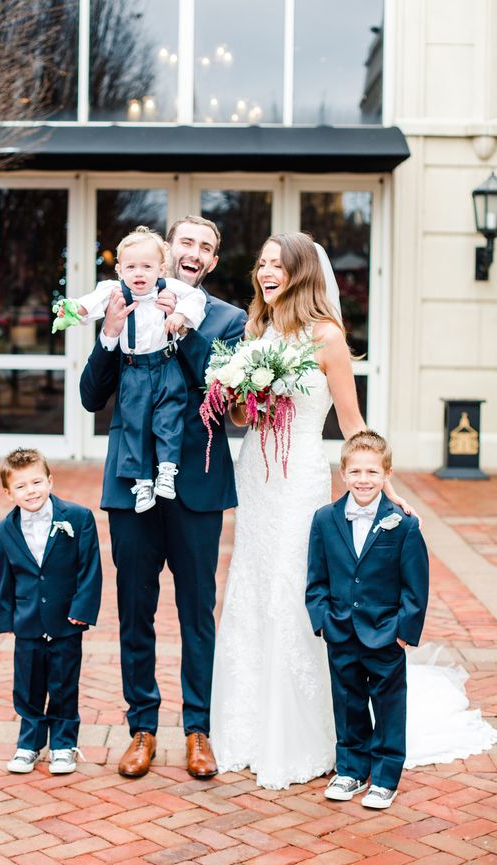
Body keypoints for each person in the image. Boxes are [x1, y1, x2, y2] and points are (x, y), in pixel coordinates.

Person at [210, 232, 497, 791]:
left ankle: (311, 734)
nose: (266, 272)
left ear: (300, 274)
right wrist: (239, 392)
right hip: (257, 477)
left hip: (298, 481)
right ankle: (247, 727)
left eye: (278, 265)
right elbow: (244, 420)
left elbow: (349, 418)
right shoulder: (256, 332)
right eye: (261, 264)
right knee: (252, 586)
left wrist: (382, 482)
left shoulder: (326, 337)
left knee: (298, 589)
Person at [79, 215, 246, 778]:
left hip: (196, 488)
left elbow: (223, 399)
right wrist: (109, 332)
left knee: (197, 614)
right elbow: (89, 397)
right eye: (186, 243)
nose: (194, 252)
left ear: (213, 261)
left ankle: (198, 730)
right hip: (131, 487)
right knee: (135, 612)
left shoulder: (228, 319)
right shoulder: (122, 299)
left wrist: (182, 331)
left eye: (206, 246)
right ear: (168, 251)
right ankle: (142, 729)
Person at [306, 431, 429, 809]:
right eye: (356, 471)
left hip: (386, 634)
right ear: (342, 472)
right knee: (347, 702)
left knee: (389, 705)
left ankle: (386, 776)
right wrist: (322, 620)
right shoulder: (325, 519)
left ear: (386, 474)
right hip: (340, 630)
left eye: (372, 472)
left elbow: (416, 585)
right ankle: (351, 770)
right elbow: (316, 578)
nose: (363, 479)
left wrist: (403, 634)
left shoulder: (403, 524)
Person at [55, 226, 206, 513]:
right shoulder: (113, 291)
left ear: (161, 269)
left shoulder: (170, 289)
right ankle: (142, 483)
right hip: (134, 369)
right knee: (134, 424)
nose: (139, 273)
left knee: (169, 417)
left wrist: (179, 315)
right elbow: (88, 304)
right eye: (131, 266)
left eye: (147, 267)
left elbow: (196, 299)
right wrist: (72, 310)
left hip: (165, 365)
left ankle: (167, 471)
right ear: (120, 270)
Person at [0, 447, 102, 775]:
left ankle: (63, 744)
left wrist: (82, 609)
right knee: (27, 686)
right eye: (21, 486)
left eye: (37, 482)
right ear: (8, 492)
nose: (31, 491)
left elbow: (90, 568)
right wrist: (8, 618)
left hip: (66, 620)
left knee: (63, 684)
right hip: (27, 622)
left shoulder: (78, 518)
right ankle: (29, 744)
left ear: (50, 480)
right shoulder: (5, 528)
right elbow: (5, 576)